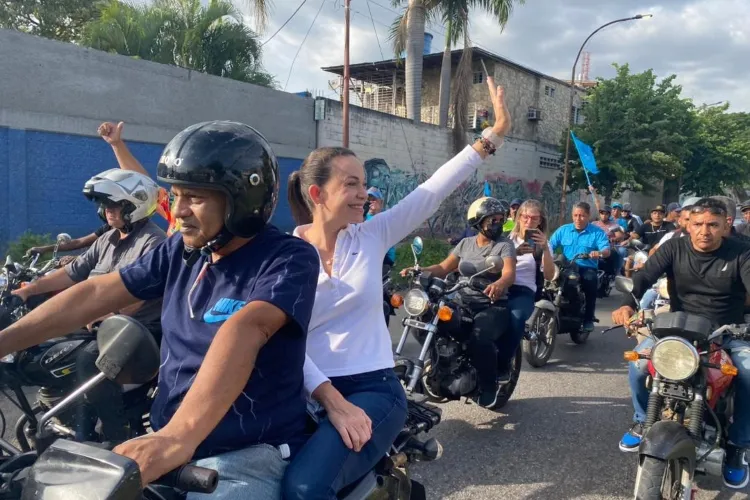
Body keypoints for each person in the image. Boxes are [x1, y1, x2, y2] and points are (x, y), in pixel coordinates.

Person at [1, 121, 320, 498]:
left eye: (195, 198)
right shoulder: (181, 252)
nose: (179, 210)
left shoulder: (287, 258)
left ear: (243, 201)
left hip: (245, 457)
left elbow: (246, 328)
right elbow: (95, 293)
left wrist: (177, 437)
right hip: (174, 446)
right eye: (175, 194)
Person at [281, 75, 511, 499]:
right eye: (350, 184)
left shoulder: (371, 236)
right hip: (301, 390)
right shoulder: (284, 254)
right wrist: (325, 395)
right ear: (317, 193)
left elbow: (432, 191)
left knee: (305, 488)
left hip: (371, 388)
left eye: (363, 183)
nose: (363, 193)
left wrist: (490, 138)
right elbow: (282, 338)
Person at [12, 169, 165, 441]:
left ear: (135, 205)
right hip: (99, 325)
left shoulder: (153, 242)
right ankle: (58, 412)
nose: (108, 211)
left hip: (136, 333)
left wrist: (101, 313)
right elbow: (73, 272)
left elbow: (137, 295)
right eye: (105, 205)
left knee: (88, 359)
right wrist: (27, 291)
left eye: (115, 205)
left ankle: (113, 434)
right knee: (44, 347)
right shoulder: (107, 239)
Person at [612, 197, 750, 488]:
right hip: (678, 329)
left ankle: (738, 445)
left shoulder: (742, 252)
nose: (704, 231)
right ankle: (641, 419)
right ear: (687, 224)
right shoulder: (675, 247)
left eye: (713, 224)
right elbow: (644, 275)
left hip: (726, 333)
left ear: (726, 225)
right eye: (698, 224)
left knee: (748, 374)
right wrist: (628, 303)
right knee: (638, 363)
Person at [98, 121, 178, 235]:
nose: (181, 209)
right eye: (179, 194)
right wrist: (116, 144)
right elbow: (146, 186)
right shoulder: (176, 207)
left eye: (195, 197)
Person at [548, 202, 610, 332]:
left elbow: (606, 250)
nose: (578, 219)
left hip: (586, 267)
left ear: (588, 216)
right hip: (565, 266)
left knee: (590, 282)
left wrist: (598, 253)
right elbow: (550, 246)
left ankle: (588, 317)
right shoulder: (563, 230)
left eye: (582, 216)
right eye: (575, 215)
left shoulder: (597, 233)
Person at [507, 199, 555, 353]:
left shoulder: (544, 244)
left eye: (535, 218)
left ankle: (507, 359)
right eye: (525, 217)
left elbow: (549, 275)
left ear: (540, 221)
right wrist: (515, 252)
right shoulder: (507, 240)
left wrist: (545, 249)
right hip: (502, 285)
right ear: (518, 217)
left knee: (516, 317)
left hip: (523, 290)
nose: (529, 221)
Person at [25, 223, 111, 257]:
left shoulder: (123, 231)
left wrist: (75, 258)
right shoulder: (107, 228)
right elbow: (79, 242)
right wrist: (44, 249)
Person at [365, 187, 396, 275]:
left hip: (385, 259)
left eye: (373, 200)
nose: (370, 203)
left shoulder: (385, 218)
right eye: (368, 200)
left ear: (381, 202)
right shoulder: (363, 217)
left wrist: (376, 213)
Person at [592, 205, 626, 275]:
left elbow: (620, 237)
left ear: (609, 215)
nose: (604, 216)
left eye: (606, 214)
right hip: (595, 247)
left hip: (609, 247)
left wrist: (612, 239)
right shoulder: (594, 224)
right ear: (599, 214)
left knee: (619, 252)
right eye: (602, 213)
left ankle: (616, 272)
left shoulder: (613, 225)